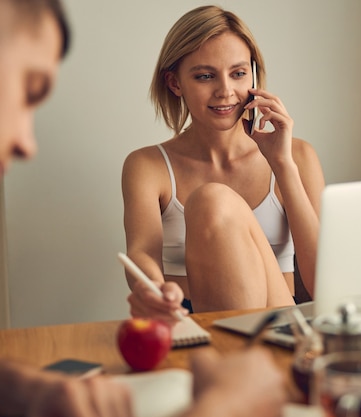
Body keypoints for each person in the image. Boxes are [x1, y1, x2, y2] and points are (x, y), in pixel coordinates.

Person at [0, 1, 286, 416]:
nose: (26, 143)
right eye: (29, 90)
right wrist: (228, 406)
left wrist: (27, 388)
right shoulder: (149, 166)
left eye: (238, 72)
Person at [123, 5, 325, 321]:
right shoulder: (147, 166)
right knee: (211, 201)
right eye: (205, 76)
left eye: (239, 73)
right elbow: (141, 253)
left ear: (254, 75)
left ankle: (244, 364)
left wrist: (282, 164)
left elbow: (321, 286)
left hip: (281, 325)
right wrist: (151, 290)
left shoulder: (298, 156)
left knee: (211, 199)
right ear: (175, 83)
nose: (225, 91)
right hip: (193, 323)